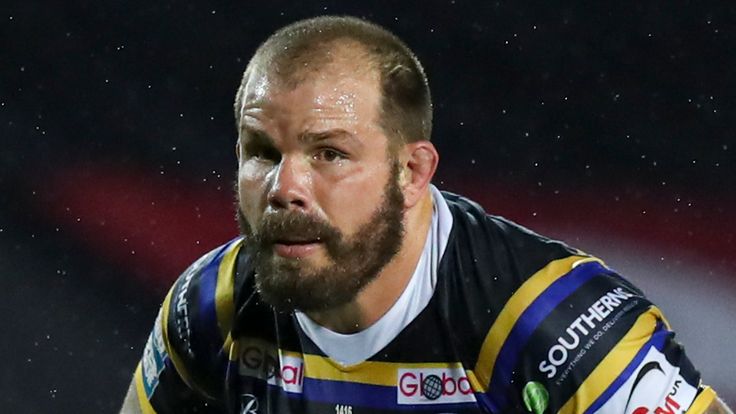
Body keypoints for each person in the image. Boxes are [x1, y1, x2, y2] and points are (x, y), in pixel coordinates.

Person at [120, 15, 731, 414]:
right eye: (261, 153)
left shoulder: (547, 325)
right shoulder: (209, 307)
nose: (285, 187)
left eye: (329, 153)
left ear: (412, 173)